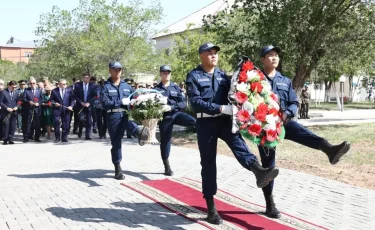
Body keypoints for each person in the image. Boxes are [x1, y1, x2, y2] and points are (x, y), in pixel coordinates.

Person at [185, 42, 279, 225]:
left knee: (240, 146)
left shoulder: (224, 76)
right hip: (205, 123)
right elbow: (195, 102)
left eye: (215, 53)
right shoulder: (194, 76)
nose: (213, 55)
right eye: (209, 53)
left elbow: (237, 93)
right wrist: (221, 107)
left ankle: (259, 171)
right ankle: (211, 208)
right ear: (201, 56)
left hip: (225, 121)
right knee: (209, 163)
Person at [257, 45, 351, 219]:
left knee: (300, 130)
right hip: (265, 128)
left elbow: (293, 102)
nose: (274, 58)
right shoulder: (255, 80)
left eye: (276, 55)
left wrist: (287, 113)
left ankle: (330, 150)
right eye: (270, 55)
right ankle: (270, 204)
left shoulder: (284, 81)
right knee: (268, 166)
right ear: (262, 59)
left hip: (283, 121)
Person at [101, 61, 149, 180]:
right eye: (115, 69)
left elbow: (134, 98)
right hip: (113, 116)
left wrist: (140, 101)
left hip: (126, 114)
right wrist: (119, 102)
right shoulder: (105, 86)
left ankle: (138, 132)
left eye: (119, 69)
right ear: (110, 70)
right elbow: (105, 103)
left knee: (127, 121)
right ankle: (117, 168)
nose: (117, 71)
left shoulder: (127, 86)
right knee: (116, 143)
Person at [154, 65, 196, 176]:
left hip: (176, 113)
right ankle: (167, 166)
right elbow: (152, 106)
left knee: (195, 121)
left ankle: (200, 133)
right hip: (165, 117)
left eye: (168, 72)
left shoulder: (175, 87)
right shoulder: (156, 90)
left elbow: (183, 103)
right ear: (160, 74)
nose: (166, 74)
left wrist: (172, 107)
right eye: (164, 72)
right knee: (165, 140)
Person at [74, 73, 96, 140]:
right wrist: (81, 102)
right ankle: (80, 131)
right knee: (81, 119)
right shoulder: (78, 85)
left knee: (89, 121)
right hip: (80, 105)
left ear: (89, 78)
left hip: (89, 105)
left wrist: (89, 103)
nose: (86, 79)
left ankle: (87, 135)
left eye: (87, 78)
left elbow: (95, 96)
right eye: (85, 77)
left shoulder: (93, 85)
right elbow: (75, 95)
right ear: (82, 78)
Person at [22, 78, 44, 143]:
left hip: (37, 109)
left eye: (33, 83)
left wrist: (38, 103)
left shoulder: (39, 90)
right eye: (30, 83)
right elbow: (23, 98)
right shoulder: (26, 90)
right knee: (27, 123)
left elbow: (42, 99)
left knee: (37, 124)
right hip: (29, 109)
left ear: (36, 83)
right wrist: (29, 102)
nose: (32, 84)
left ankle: (37, 137)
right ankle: (26, 137)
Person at [0, 80, 20, 145]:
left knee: (13, 126)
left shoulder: (16, 92)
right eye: (13, 87)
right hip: (6, 112)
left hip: (14, 111)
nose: (14, 88)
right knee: (6, 126)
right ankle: (5, 139)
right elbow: (1, 102)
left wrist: (17, 106)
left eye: (15, 87)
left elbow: (19, 101)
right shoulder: (3, 92)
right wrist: (7, 108)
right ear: (9, 86)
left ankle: (10, 138)